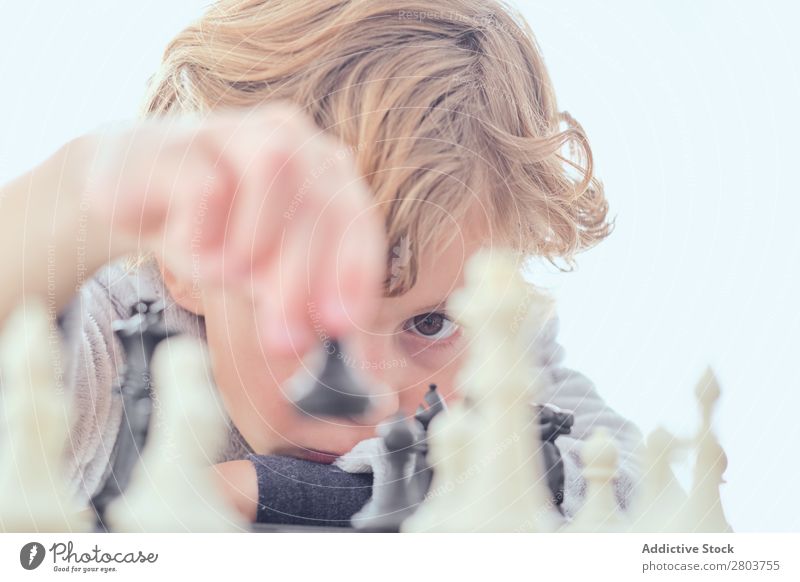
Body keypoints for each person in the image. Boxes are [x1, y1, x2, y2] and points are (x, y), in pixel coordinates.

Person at [0, 0, 641, 525]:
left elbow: (634, 497)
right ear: (189, 260)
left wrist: (271, 489)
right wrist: (78, 192)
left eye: (427, 325)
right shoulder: (121, 351)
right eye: (317, 316)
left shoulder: (490, 344)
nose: (367, 399)